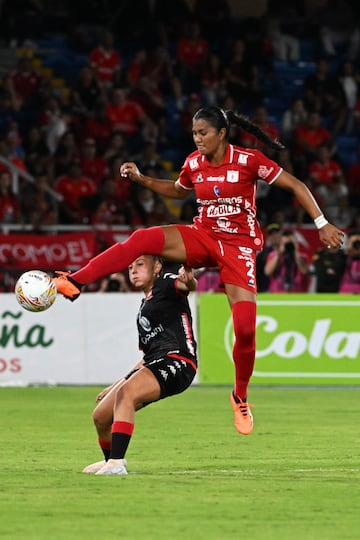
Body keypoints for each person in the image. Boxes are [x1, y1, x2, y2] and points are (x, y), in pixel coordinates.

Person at [54, 106, 345, 437]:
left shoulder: (249, 160)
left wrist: (321, 223)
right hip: (203, 236)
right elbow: (179, 190)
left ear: (222, 133)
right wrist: (141, 179)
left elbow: (295, 185)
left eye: (203, 133)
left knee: (246, 330)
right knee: (141, 239)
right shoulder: (194, 163)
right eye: (194, 134)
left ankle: (240, 396)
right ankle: (74, 281)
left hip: (238, 248)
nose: (198, 139)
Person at [82, 256, 198, 475]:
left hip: (179, 361)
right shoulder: (145, 306)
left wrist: (190, 279)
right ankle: (110, 461)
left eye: (139, 265)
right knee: (101, 416)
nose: (133, 271)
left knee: (126, 394)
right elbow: (147, 357)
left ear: (156, 267)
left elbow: (186, 284)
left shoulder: (165, 282)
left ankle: (116, 462)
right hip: (156, 361)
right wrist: (117, 383)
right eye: (130, 266)